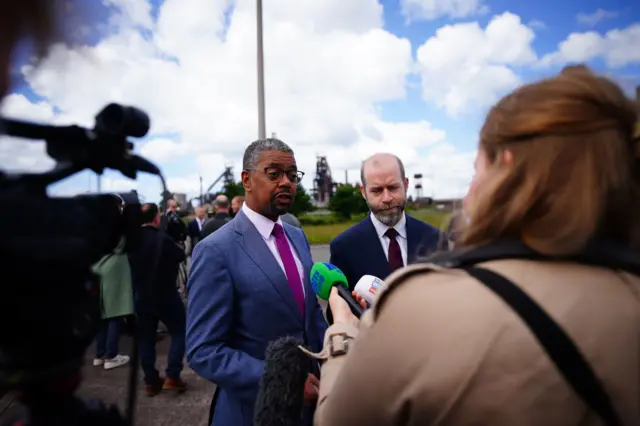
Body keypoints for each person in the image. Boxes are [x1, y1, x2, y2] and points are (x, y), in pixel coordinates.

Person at [308, 66, 640, 426]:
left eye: (475, 169)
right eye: (377, 190)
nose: (469, 191)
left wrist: (341, 327)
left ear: (507, 168)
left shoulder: (420, 294)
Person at [187, 138, 328, 426]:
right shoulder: (215, 250)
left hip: (310, 408)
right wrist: (284, 383)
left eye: (292, 175)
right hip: (253, 412)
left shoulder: (296, 235)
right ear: (246, 180)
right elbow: (204, 350)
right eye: (274, 174)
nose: (286, 182)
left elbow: (309, 315)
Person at [329, 153, 440, 288]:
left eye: (393, 187)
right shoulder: (344, 247)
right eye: (377, 190)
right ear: (364, 192)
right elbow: (337, 307)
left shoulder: (435, 239)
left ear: (405, 185)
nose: (387, 198)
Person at [128, 203, 188, 397]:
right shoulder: (162, 239)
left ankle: (151, 381)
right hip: (165, 293)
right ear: (156, 218)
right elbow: (180, 255)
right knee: (179, 331)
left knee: (146, 337)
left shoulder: (133, 241)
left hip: (141, 296)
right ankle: (172, 375)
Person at [91, 194, 134, 370]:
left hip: (96, 268)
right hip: (115, 270)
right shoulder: (119, 225)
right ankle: (111, 355)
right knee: (116, 313)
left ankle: (99, 354)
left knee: (100, 314)